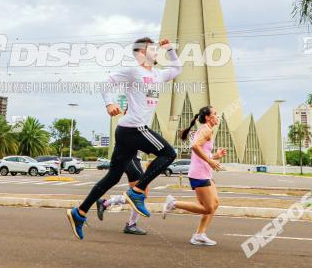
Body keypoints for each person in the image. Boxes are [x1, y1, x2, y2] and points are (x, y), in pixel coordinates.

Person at [66, 37, 181, 240]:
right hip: (134, 128)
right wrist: (109, 104)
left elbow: (177, 68)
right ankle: (136, 193)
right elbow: (105, 84)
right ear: (140, 53)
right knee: (169, 153)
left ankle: (80, 212)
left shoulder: (157, 75)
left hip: (127, 131)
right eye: (152, 49)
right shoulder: (133, 71)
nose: (156, 52)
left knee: (113, 176)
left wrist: (170, 49)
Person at [161, 106, 226, 246]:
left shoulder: (206, 130)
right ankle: (173, 204)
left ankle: (199, 235)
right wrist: (210, 161)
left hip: (205, 173)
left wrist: (216, 156)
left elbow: (202, 152)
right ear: (208, 117)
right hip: (199, 174)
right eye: (215, 113)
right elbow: (195, 147)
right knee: (207, 208)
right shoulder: (206, 130)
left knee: (214, 205)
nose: (217, 116)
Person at [95, 156, 149, 235]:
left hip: (133, 160)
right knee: (140, 194)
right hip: (132, 159)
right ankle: (131, 225)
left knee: (137, 195)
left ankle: (104, 203)